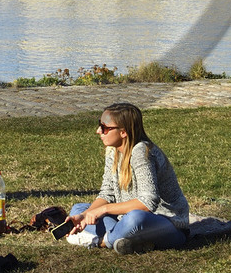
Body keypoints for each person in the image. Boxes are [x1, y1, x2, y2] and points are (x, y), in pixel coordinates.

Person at [67, 102, 189, 255]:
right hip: (125, 219)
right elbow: (107, 193)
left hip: (168, 224)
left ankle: (100, 241)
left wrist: (102, 210)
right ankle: (129, 240)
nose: (98, 131)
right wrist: (85, 216)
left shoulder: (141, 152)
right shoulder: (112, 151)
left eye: (104, 128)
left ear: (123, 132)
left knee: (135, 218)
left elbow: (147, 203)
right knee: (78, 209)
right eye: (99, 125)